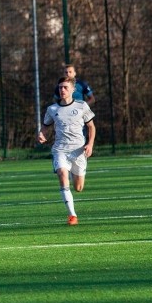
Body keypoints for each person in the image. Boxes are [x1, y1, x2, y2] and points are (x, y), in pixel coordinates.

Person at [38, 76, 96, 225]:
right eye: (60, 87)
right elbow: (45, 126)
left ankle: (73, 176)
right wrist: (42, 134)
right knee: (62, 174)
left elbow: (91, 127)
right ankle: (72, 215)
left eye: (65, 87)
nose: (62, 90)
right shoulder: (52, 109)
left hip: (78, 151)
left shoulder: (82, 106)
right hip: (60, 150)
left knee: (78, 187)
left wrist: (90, 144)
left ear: (72, 89)